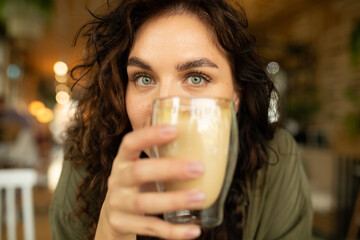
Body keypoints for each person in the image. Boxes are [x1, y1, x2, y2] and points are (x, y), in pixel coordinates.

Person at [49, 0, 313, 239]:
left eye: (196, 77)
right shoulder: (85, 160)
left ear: (235, 96)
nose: (165, 112)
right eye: (144, 78)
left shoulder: (276, 158)